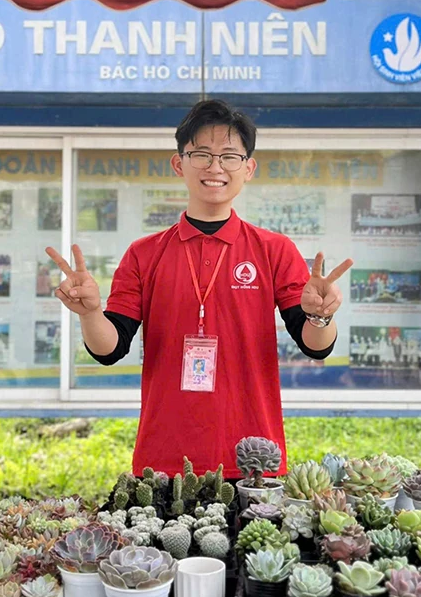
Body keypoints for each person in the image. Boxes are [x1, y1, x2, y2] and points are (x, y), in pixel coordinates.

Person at [47, 99, 353, 478]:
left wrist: (320, 316)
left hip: (254, 460)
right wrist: (91, 313)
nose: (215, 167)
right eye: (202, 154)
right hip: (163, 462)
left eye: (229, 157)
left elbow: (313, 344)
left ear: (248, 168)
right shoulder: (144, 254)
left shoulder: (274, 250)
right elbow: (110, 349)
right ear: (179, 163)